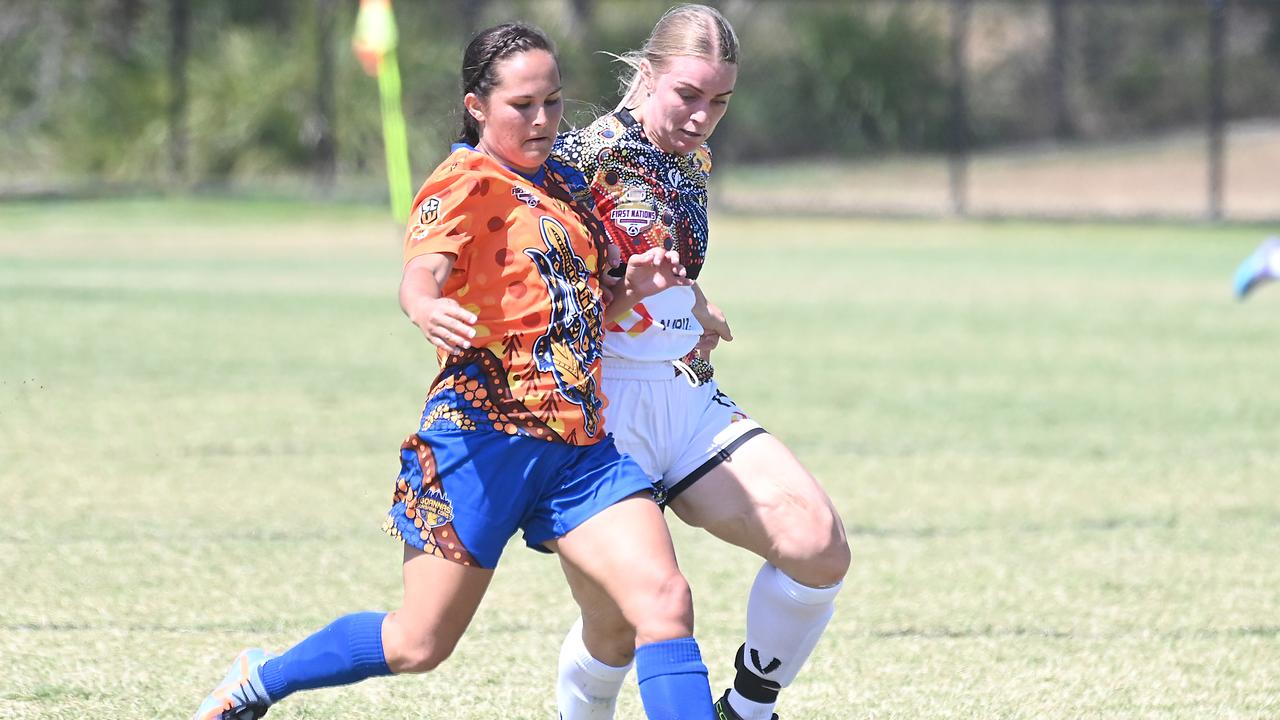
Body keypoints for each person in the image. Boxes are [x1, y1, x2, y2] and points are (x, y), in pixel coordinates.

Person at [192, 22, 721, 720]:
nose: (542, 120)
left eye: (554, 103)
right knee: (419, 642)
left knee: (664, 601)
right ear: (478, 106)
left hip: (579, 449)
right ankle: (263, 677)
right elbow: (421, 274)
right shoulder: (463, 183)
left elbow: (579, 304)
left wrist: (640, 288)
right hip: (481, 443)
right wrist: (424, 306)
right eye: (522, 105)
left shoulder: (567, 180)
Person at [547, 6, 851, 720]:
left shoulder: (688, 161)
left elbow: (660, 262)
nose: (703, 116)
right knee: (618, 629)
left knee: (817, 546)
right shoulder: (575, 162)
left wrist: (694, 306)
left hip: (683, 396)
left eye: (720, 101)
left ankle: (746, 711)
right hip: (599, 415)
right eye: (688, 94)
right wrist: (628, 303)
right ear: (647, 75)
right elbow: (545, 309)